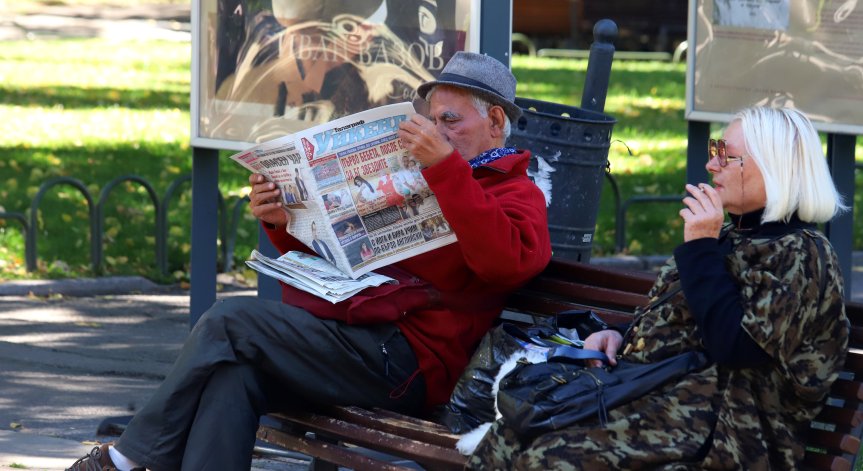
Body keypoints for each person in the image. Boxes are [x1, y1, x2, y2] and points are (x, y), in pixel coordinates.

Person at [66, 51, 551, 470]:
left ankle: (123, 460)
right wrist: (281, 219)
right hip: (354, 335)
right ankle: (134, 459)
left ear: (493, 124)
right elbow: (342, 251)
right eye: (434, 118)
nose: (437, 131)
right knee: (232, 377)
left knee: (230, 321)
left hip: (409, 365)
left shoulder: (513, 190)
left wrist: (445, 169)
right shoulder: (423, 172)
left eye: (452, 121)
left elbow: (506, 264)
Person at [468, 106, 850, 470]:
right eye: (714, 150)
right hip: (665, 403)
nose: (711, 163)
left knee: (550, 458)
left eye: (726, 156)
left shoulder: (803, 253)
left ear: (774, 168)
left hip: (730, 433)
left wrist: (701, 247)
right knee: (507, 436)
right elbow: (687, 321)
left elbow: (737, 348)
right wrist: (619, 335)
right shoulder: (732, 236)